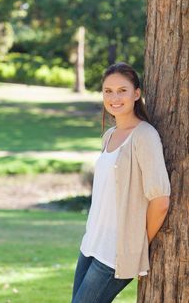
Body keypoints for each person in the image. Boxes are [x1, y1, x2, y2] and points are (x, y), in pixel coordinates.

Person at [71, 62, 171, 303]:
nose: (114, 97)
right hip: (91, 245)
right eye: (108, 91)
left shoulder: (145, 136)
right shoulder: (109, 136)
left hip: (115, 253)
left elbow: (160, 201)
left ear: (136, 94)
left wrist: (135, 247)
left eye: (122, 90)